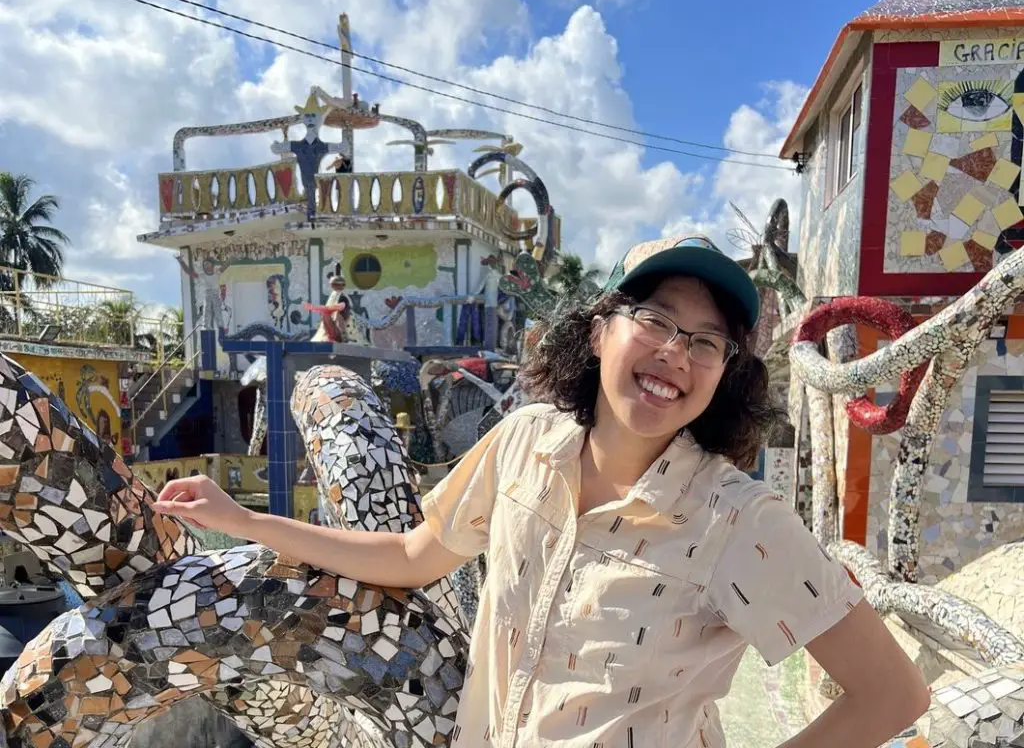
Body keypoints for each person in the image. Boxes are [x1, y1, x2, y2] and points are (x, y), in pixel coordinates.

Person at [152, 236, 930, 747]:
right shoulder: (525, 443)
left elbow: (891, 694)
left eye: (705, 342)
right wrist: (246, 521)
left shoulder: (736, 518)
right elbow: (410, 553)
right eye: (655, 321)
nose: (673, 354)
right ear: (600, 331)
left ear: (726, 371)